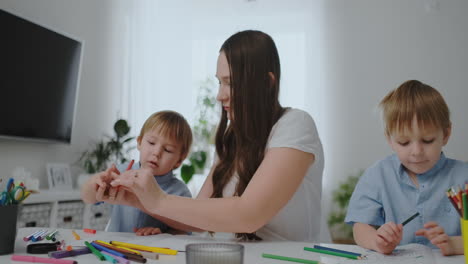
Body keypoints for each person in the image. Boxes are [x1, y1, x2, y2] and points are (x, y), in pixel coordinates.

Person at [97, 30, 324, 241]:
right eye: (219, 82)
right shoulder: (232, 137)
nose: (219, 95)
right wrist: (138, 199)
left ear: (267, 83)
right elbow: (197, 220)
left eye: (231, 83)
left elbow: (249, 215)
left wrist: (158, 199)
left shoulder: (295, 125)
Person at [345, 80, 466, 255]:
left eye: (427, 140)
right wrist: (377, 241)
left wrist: (455, 245)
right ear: (390, 139)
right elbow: (360, 227)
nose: (416, 152)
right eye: (404, 142)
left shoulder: (463, 176)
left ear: (446, 134)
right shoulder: (378, 175)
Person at [80, 110, 192, 236]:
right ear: (139, 142)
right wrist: (96, 182)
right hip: (115, 247)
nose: (156, 152)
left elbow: (184, 231)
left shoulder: (180, 192)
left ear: (179, 160)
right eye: (151, 143)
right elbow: (87, 197)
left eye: (168, 150)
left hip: (153, 252)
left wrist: (164, 233)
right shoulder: (120, 173)